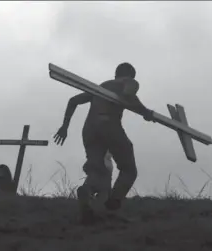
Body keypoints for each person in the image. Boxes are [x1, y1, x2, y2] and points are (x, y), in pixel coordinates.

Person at [54, 62, 155, 223]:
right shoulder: (128, 82)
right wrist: (146, 112)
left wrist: (65, 126)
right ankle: (112, 204)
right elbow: (129, 95)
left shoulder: (100, 87)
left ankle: (87, 192)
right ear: (130, 75)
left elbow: (73, 100)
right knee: (129, 169)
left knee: (98, 170)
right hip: (109, 124)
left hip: (89, 130)